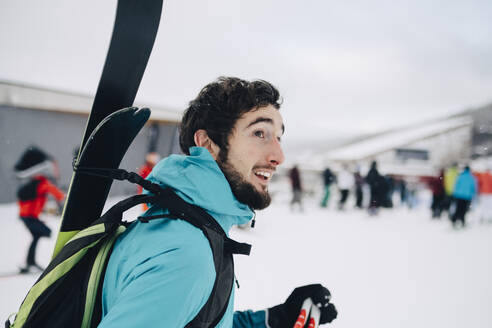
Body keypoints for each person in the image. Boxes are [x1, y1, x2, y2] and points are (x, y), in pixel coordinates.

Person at [99, 77, 337, 327]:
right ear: (208, 144)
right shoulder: (186, 256)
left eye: (278, 137)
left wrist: (274, 320)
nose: (279, 156)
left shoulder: (189, 227)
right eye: (259, 133)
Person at [14, 146, 65, 273]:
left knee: (36, 235)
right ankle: (31, 262)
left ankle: (30, 262)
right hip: (29, 217)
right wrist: (65, 197)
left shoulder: (33, 183)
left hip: (26, 216)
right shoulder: (42, 183)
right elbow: (55, 192)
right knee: (44, 231)